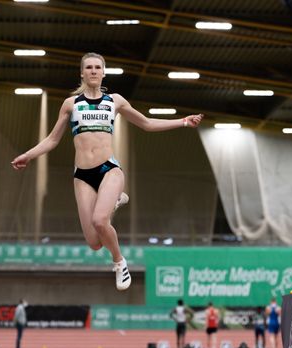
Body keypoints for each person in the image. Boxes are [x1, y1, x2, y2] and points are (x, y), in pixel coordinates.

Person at [11, 52, 204, 291]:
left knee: (100, 221)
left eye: (97, 67)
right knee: (93, 242)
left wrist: (183, 122)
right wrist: (28, 155)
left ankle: (119, 262)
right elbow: (52, 139)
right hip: (82, 175)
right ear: (82, 73)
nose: (93, 71)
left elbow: (146, 123)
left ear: (103, 72)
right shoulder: (71, 104)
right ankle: (113, 202)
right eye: (89, 67)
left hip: (109, 170)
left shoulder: (115, 101)